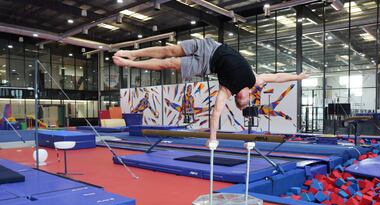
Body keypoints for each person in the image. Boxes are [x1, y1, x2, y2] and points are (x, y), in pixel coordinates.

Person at [113, 38, 308, 145]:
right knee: (171, 49)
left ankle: (130, 63)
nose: (244, 98)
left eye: (241, 101)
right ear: (249, 95)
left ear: (237, 99)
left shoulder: (227, 91)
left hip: (205, 64)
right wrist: (297, 77)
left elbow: (215, 114)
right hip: (211, 45)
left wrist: (213, 137)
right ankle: (133, 53)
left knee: (169, 64)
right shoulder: (254, 80)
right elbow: (278, 77)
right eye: (246, 99)